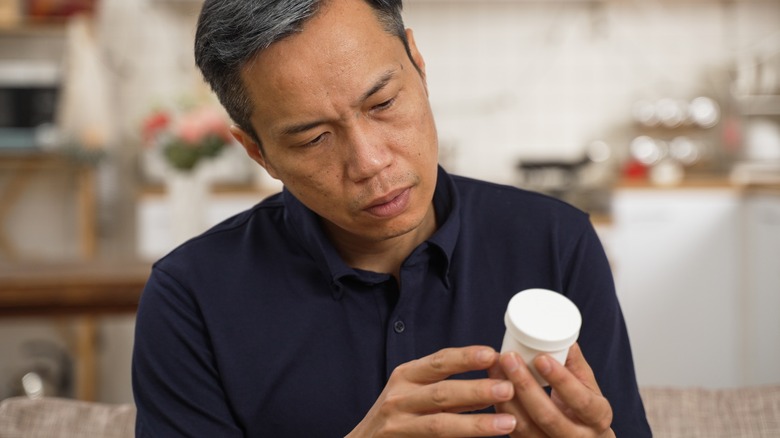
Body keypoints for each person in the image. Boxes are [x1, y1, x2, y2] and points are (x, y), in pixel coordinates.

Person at [132, 0, 652, 436]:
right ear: (258, 153)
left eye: (382, 103)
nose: (370, 162)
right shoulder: (190, 298)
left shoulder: (557, 243)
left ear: (419, 66)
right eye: (313, 138)